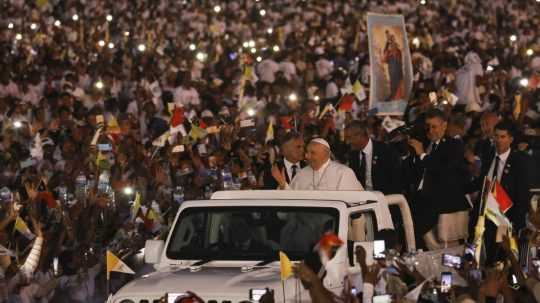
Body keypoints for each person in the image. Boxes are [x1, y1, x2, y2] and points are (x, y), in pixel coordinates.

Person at [407, 109, 471, 246]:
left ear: (444, 126)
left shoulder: (453, 145)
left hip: (445, 207)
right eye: (428, 127)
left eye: (434, 126)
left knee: (447, 251)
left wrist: (422, 155)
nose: (430, 130)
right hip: (422, 203)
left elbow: (443, 170)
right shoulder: (427, 144)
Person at [272, 138, 364, 191]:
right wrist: (283, 185)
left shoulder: (343, 173)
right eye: (307, 152)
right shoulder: (302, 174)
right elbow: (294, 203)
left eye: (313, 153)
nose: (307, 156)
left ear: (326, 154)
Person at [344, 120, 402, 194]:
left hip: (385, 198)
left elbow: (396, 181)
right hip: (362, 199)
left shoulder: (386, 151)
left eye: (349, 138)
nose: (347, 142)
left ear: (360, 135)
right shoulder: (353, 154)